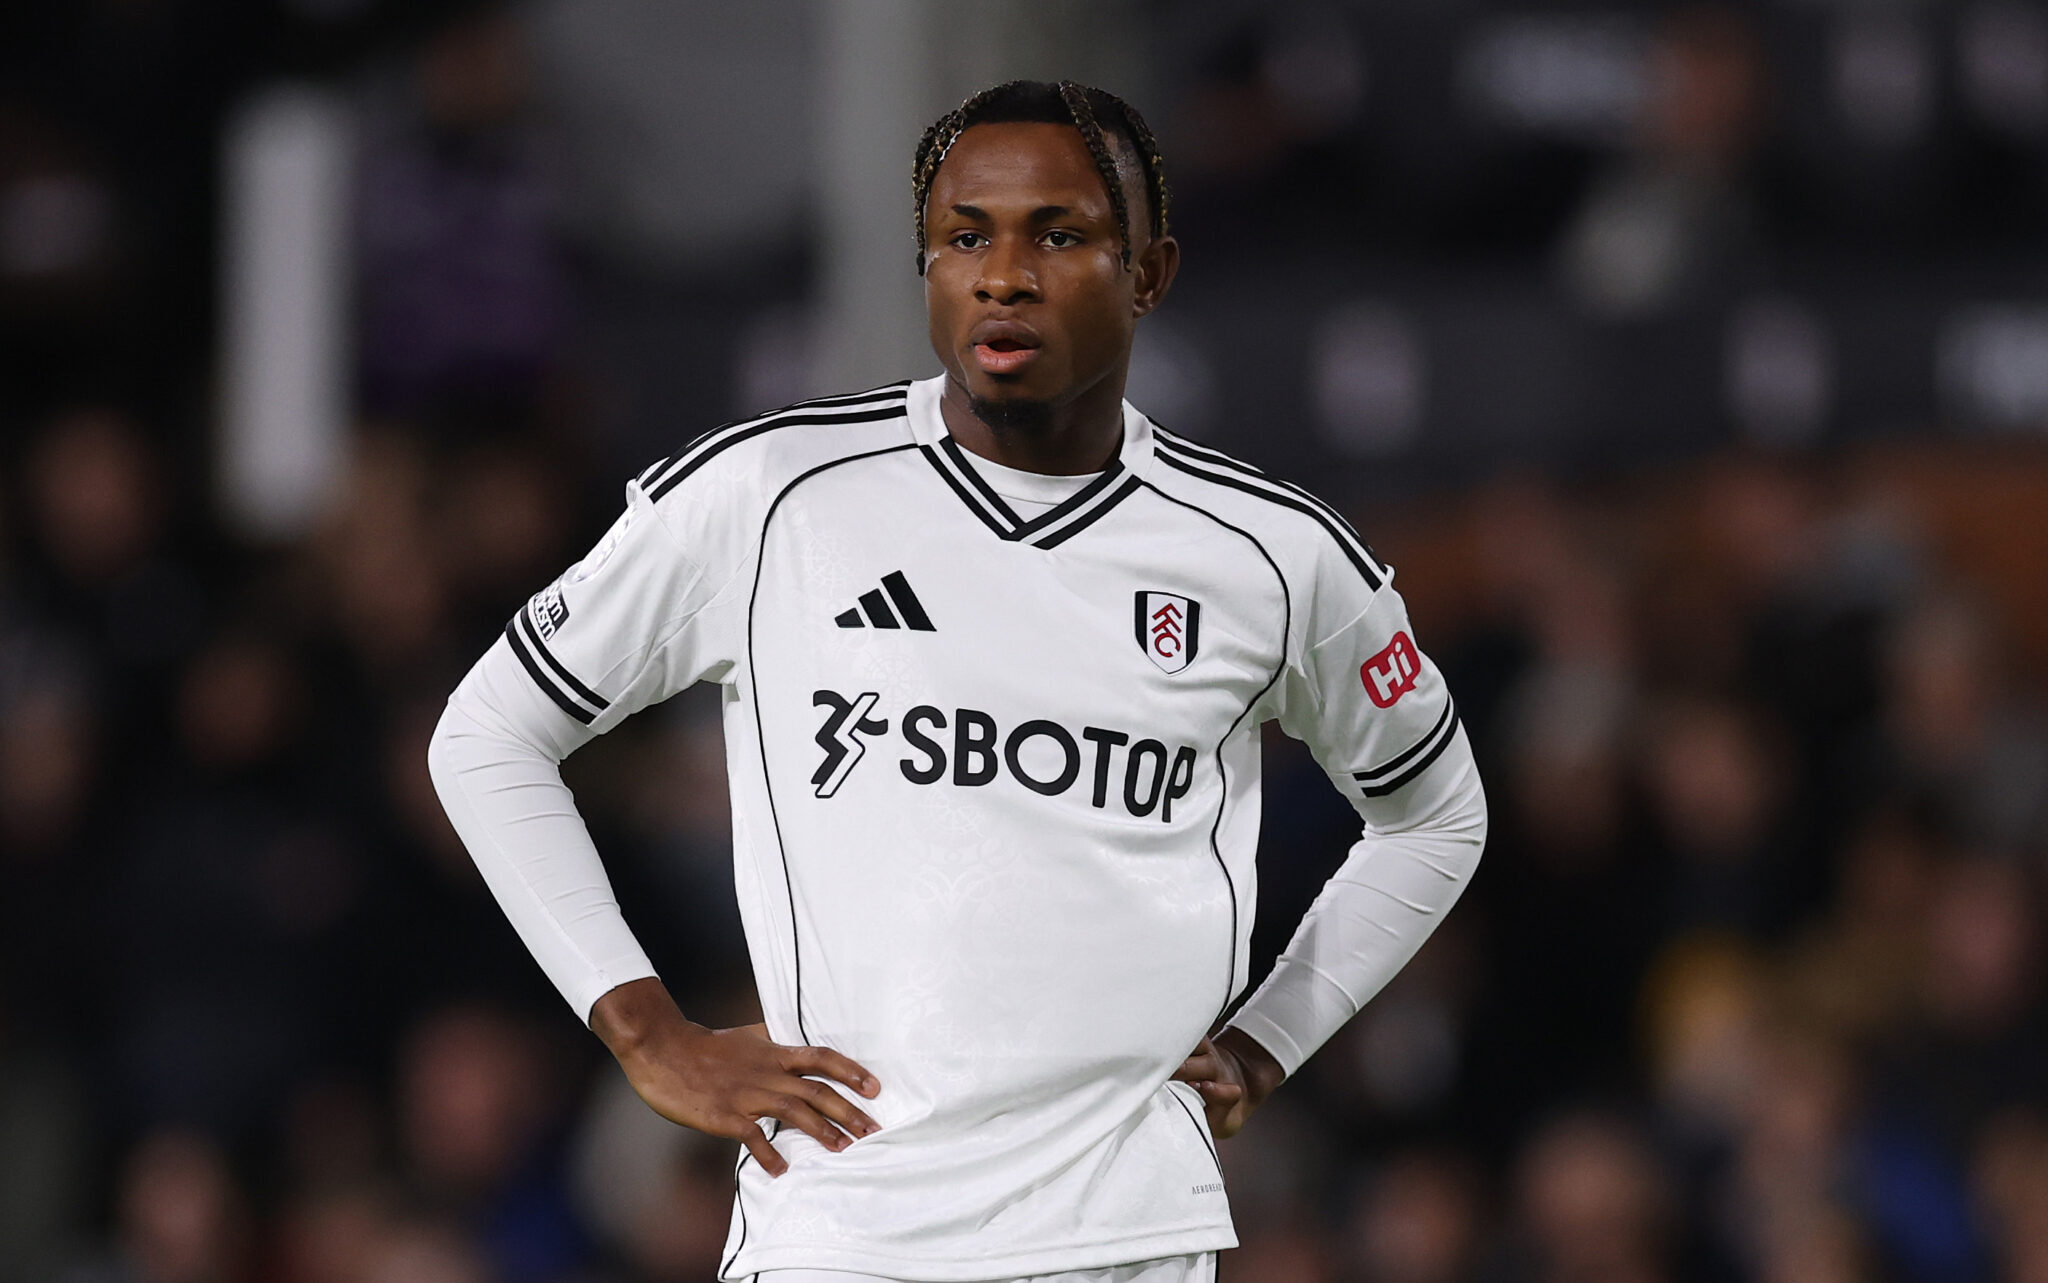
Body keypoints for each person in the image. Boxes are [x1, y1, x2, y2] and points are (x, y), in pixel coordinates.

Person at [428, 79, 1486, 1283]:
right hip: (843, 1234)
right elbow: (486, 734)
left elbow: (1438, 812)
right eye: (964, 236)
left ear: (1150, 272)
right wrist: (641, 1026)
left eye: (1060, 234)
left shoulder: (1272, 556)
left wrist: (1270, 1039)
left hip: (1125, 1240)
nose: (1003, 274)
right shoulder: (772, 496)